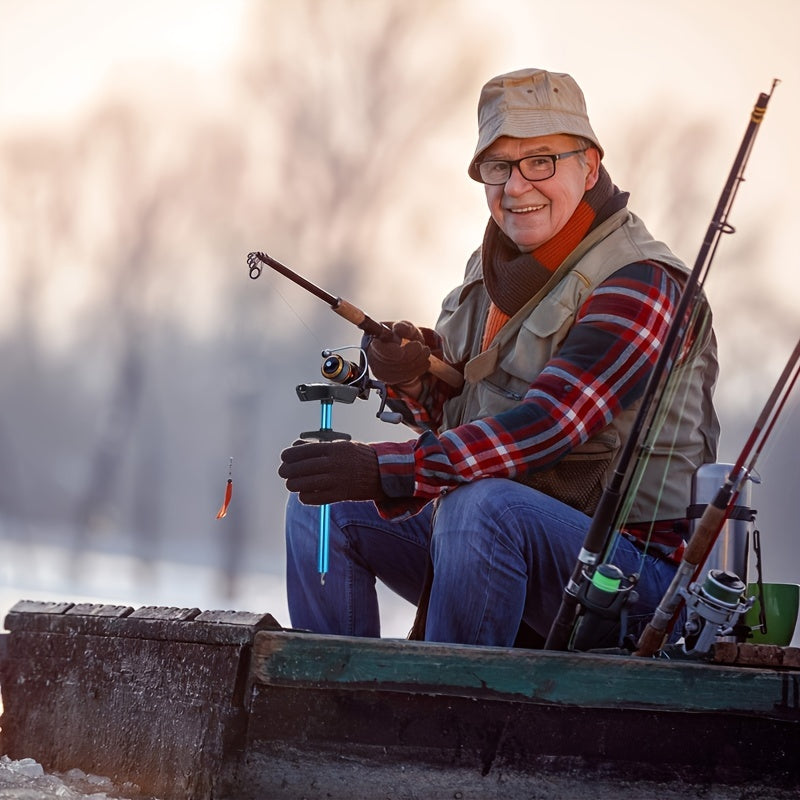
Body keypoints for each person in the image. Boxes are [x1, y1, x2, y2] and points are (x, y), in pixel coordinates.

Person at [278, 67, 719, 648]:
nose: (516, 186)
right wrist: (411, 377)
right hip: (505, 540)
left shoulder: (641, 284)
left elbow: (547, 427)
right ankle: (326, 708)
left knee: (479, 508)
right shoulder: (491, 273)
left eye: (541, 161)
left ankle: (441, 710)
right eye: (498, 167)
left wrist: (387, 469)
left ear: (589, 165)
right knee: (322, 509)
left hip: (629, 576)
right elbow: (457, 421)